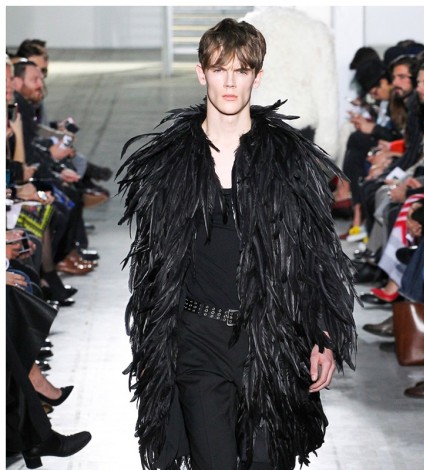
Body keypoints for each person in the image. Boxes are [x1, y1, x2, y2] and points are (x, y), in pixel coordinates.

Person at [118, 18, 357, 470]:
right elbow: (152, 267)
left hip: (273, 337)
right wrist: (152, 348)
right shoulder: (170, 162)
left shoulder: (287, 159)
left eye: (241, 70)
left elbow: (317, 255)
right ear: (201, 73)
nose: (230, 82)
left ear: (257, 77)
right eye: (219, 69)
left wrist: (323, 335)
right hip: (197, 340)